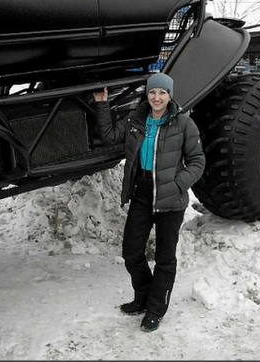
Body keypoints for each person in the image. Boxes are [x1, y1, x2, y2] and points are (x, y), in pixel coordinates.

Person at [91, 72, 205, 332]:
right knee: (131, 253)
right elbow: (109, 136)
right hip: (141, 193)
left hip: (170, 199)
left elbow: (198, 161)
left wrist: (177, 184)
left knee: (165, 259)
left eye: (162, 93)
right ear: (147, 94)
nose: (157, 97)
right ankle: (143, 297)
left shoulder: (183, 124)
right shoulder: (135, 119)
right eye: (153, 92)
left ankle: (155, 309)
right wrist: (101, 104)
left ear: (169, 95)